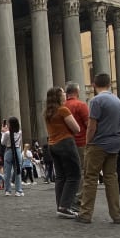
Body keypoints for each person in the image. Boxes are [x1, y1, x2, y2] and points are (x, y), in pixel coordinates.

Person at [75, 74, 120, 225]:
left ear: (94, 85)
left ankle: (85, 213)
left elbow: (91, 125)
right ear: (109, 84)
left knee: (90, 178)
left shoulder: (96, 101)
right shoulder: (117, 101)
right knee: (111, 177)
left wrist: (88, 142)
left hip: (99, 143)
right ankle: (117, 215)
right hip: (115, 143)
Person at [43, 87, 81, 218]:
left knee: (60, 177)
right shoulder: (63, 110)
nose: (65, 94)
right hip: (65, 143)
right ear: (58, 97)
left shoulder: (47, 113)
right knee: (74, 176)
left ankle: (60, 205)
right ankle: (65, 207)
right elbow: (76, 128)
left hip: (52, 145)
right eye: (63, 93)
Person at [65, 81, 89, 200]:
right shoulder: (81, 105)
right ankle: (79, 198)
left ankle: (67, 198)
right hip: (81, 143)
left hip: (66, 143)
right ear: (77, 92)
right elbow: (88, 125)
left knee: (69, 172)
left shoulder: (62, 106)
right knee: (82, 171)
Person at [2, 117, 24, 196]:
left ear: (10, 124)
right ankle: (18, 191)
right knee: (17, 171)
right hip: (17, 151)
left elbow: (3, 143)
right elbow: (19, 142)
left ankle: (8, 191)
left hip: (8, 151)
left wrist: (3, 132)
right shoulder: (20, 132)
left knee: (7, 172)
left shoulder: (7, 133)